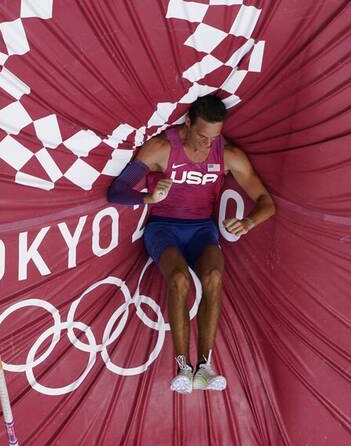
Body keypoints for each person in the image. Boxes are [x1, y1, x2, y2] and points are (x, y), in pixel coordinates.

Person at [106, 95, 276, 394]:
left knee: (214, 276)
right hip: (163, 228)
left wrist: (249, 222)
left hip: (201, 229)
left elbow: (266, 203)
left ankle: (205, 367)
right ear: (188, 122)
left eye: (214, 137)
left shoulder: (228, 155)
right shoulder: (161, 148)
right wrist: (148, 197)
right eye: (201, 136)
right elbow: (116, 191)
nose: (207, 144)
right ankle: (183, 366)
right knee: (179, 279)